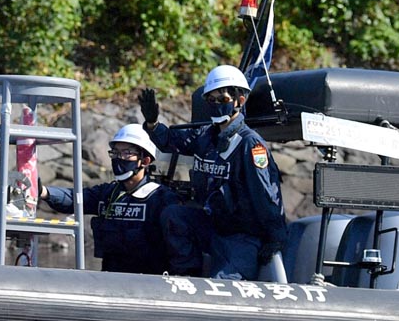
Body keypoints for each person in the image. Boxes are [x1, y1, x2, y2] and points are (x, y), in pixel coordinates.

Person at [140, 64, 288, 280]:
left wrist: (276, 237)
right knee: (174, 215)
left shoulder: (249, 144)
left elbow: (266, 195)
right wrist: (153, 124)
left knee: (224, 283)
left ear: (240, 100)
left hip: (241, 236)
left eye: (223, 99)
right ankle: (186, 277)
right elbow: (171, 141)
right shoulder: (205, 136)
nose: (216, 105)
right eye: (211, 100)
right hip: (212, 226)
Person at [41, 124, 181, 275]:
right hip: (111, 280)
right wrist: (44, 192)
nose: (119, 158)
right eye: (115, 153)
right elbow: (75, 199)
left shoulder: (161, 199)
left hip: (147, 282)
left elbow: (177, 246)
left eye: (126, 153)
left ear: (145, 161)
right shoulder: (108, 193)